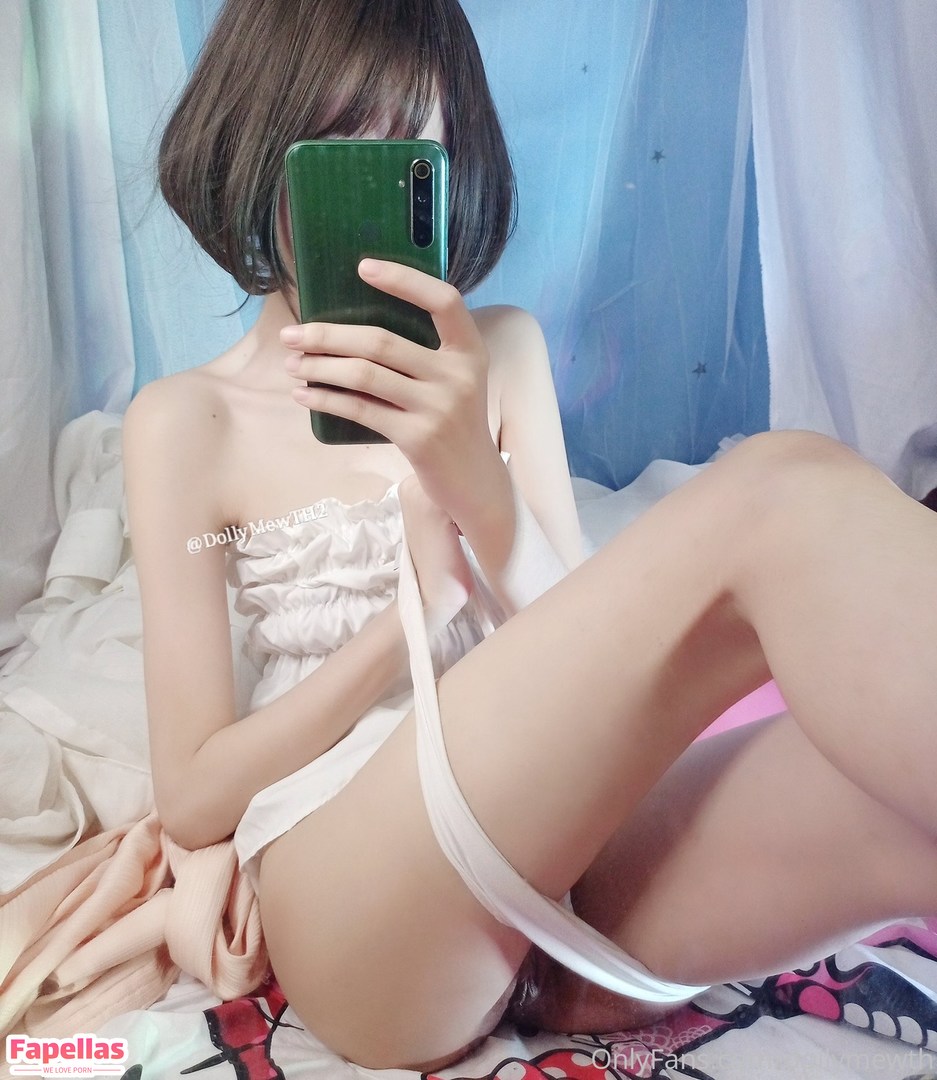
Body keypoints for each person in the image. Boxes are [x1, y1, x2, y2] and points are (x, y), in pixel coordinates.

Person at [122, 0, 937, 1070]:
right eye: (334, 151)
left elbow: (597, 657)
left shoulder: (499, 354)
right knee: (783, 491)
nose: (369, 195)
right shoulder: (189, 422)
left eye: (406, 157)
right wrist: (417, 614)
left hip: (565, 873)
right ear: (256, 146)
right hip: (360, 895)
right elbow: (190, 799)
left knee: (897, 816)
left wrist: (479, 486)